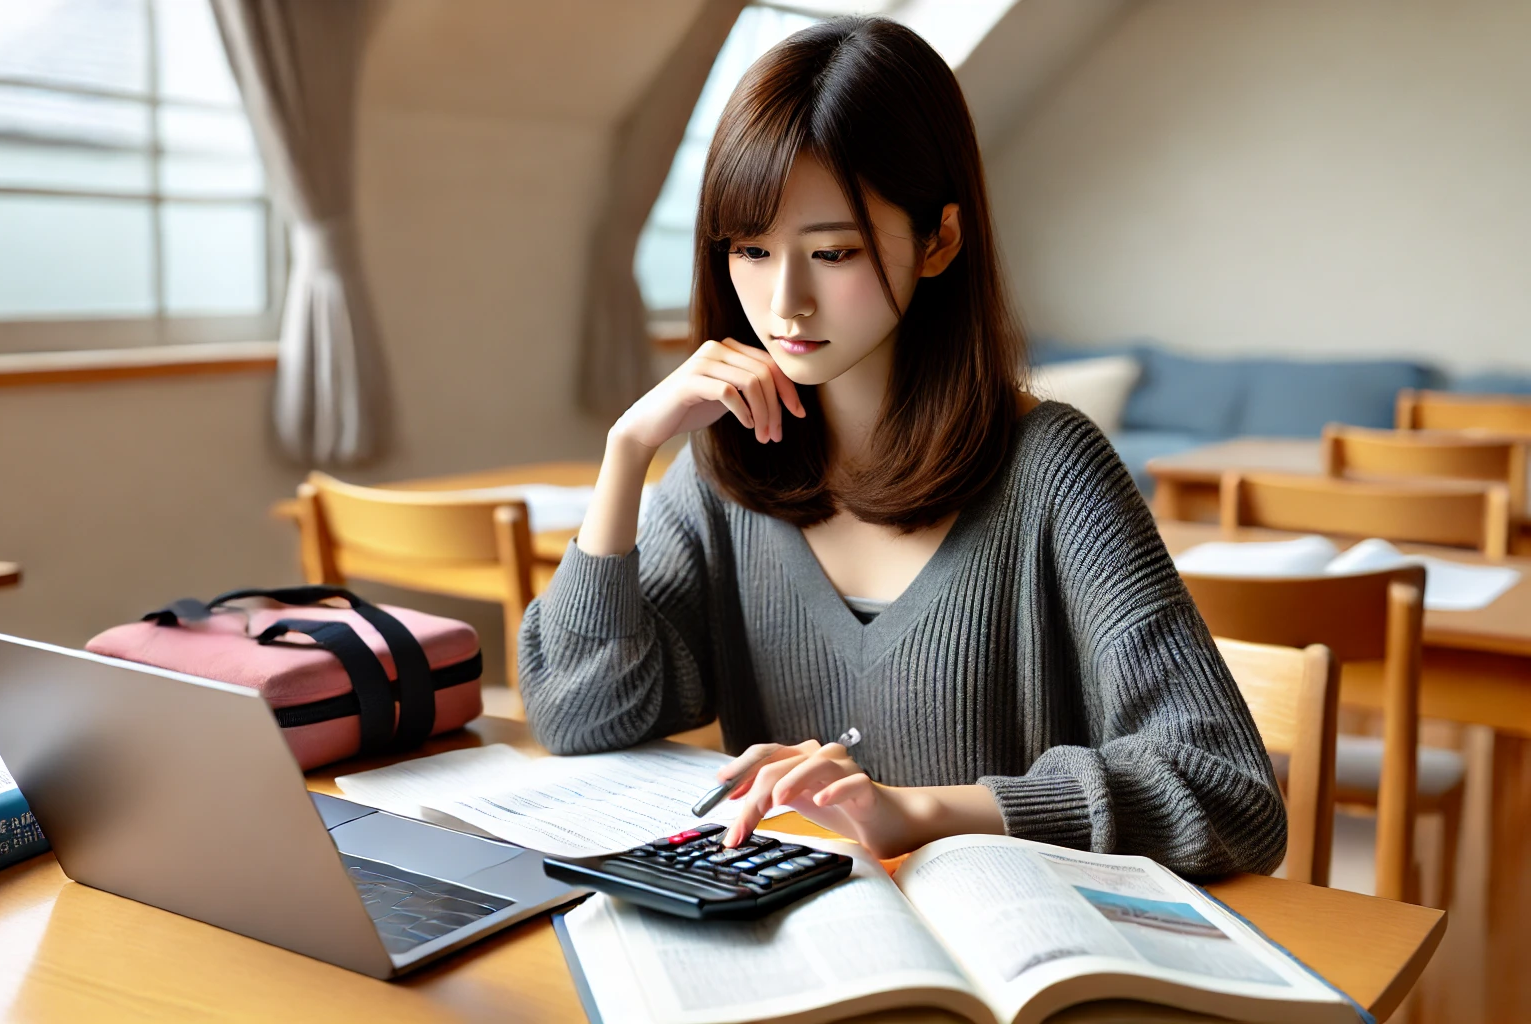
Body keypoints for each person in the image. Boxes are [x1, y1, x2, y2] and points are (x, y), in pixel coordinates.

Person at [519, 16, 1284, 874]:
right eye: (753, 250)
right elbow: (579, 716)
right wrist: (628, 454)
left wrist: (921, 811)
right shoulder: (722, 473)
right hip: (802, 945)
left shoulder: (1051, 469)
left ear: (940, 240)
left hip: (1017, 960)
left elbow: (1230, 792)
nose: (784, 304)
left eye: (834, 252)